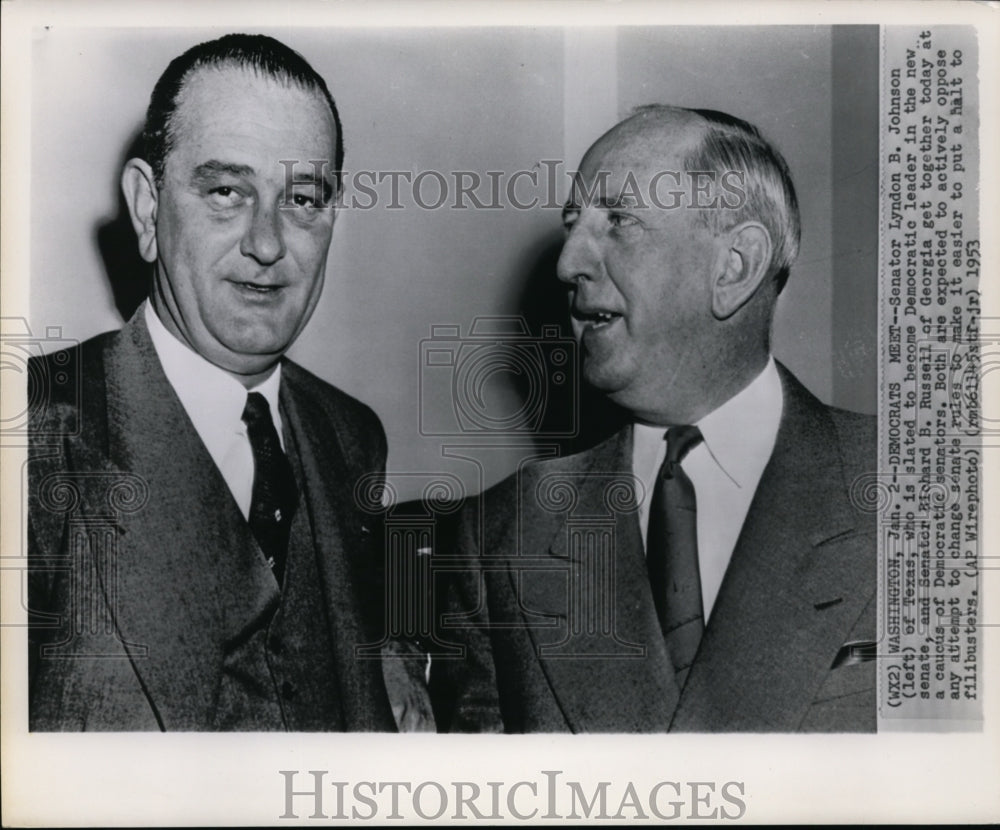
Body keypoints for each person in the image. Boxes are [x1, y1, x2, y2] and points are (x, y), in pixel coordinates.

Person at [432, 105, 877, 733]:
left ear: (734, 267)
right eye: (572, 223)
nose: (568, 264)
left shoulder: (927, 494)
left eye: (619, 220)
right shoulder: (499, 535)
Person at [27, 34, 397, 731]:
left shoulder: (351, 437)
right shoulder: (33, 433)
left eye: (304, 198)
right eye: (227, 191)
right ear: (147, 209)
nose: (266, 243)